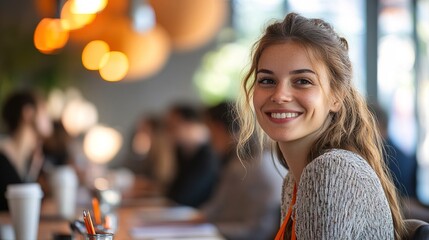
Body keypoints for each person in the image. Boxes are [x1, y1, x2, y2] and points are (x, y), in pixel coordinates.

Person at [236, 12, 405, 239]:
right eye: (267, 80)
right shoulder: (295, 179)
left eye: (303, 81)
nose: (280, 95)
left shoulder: (329, 171)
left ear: (336, 97)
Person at [200, 101, 281, 240]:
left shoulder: (247, 166)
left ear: (218, 128)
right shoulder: (255, 159)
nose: (208, 139)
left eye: (209, 131)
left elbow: (256, 229)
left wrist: (202, 227)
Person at [0, 89, 53, 211]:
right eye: (44, 111)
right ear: (27, 112)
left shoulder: (32, 157)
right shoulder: (2, 157)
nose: (48, 117)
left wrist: (33, 169)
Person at [164, 103, 219, 208]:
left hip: (200, 216)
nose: (168, 132)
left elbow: (184, 196)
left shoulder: (208, 155)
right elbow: (171, 192)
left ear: (190, 125)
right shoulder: (182, 152)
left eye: (173, 126)